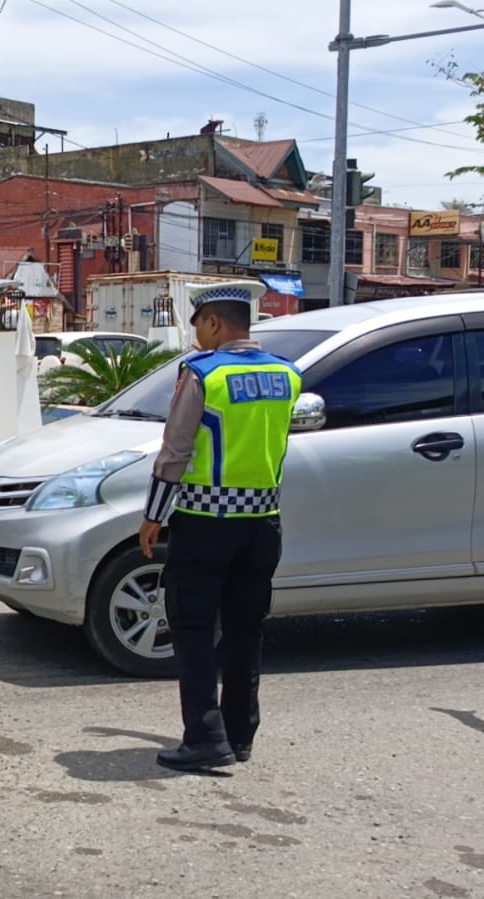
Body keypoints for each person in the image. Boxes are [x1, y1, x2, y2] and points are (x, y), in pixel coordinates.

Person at [136, 282, 301, 773]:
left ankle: (205, 737)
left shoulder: (203, 374)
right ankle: (239, 733)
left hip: (206, 522)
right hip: (263, 523)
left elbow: (175, 451)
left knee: (191, 628)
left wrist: (154, 515)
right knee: (246, 631)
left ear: (212, 323)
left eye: (198, 326)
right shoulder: (287, 376)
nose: (196, 337)